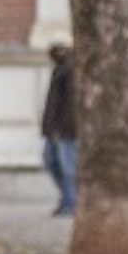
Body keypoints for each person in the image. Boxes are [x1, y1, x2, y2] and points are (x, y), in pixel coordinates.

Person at [40, 43, 76, 216]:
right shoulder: (60, 69)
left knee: (67, 166)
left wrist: (62, 129)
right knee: (52, 163)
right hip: (55, 129)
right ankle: (67, 199)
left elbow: (70, 105)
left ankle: (71, 202)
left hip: (65, 130)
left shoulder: (70, 69)